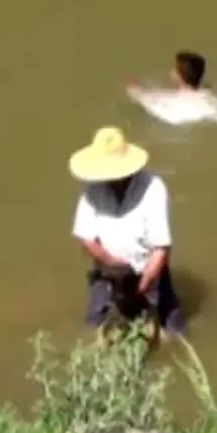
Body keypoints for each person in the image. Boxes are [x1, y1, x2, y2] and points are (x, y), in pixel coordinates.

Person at [69, 126, 187, 341]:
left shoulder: (153, 188)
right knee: (93, 326)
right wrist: (111, 262)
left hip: (147, 268)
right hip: (109, 270)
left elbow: (161, 247)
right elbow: (86, 237)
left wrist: (145, 283)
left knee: (175, 331)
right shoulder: (92, 188)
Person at [126, 51, 217, 126]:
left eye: (174, 69)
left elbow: (136, 95)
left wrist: (133, 86)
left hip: (174, 124)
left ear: (178, 76)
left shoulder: (164, 100)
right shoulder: (210, 98)